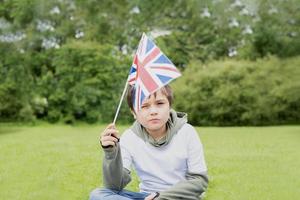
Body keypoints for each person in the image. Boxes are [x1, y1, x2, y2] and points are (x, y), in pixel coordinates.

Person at [90, 85, 208, 200]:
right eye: (144, 106)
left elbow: (199, 181)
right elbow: (114, 186)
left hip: (180, 197)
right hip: (147, 197)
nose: (153, 111)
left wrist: (162, 197)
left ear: (169, 106)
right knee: (98, 195)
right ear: (133, 112)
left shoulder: (187, 131)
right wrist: (111, 153)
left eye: (160, 104)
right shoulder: (130, 137)